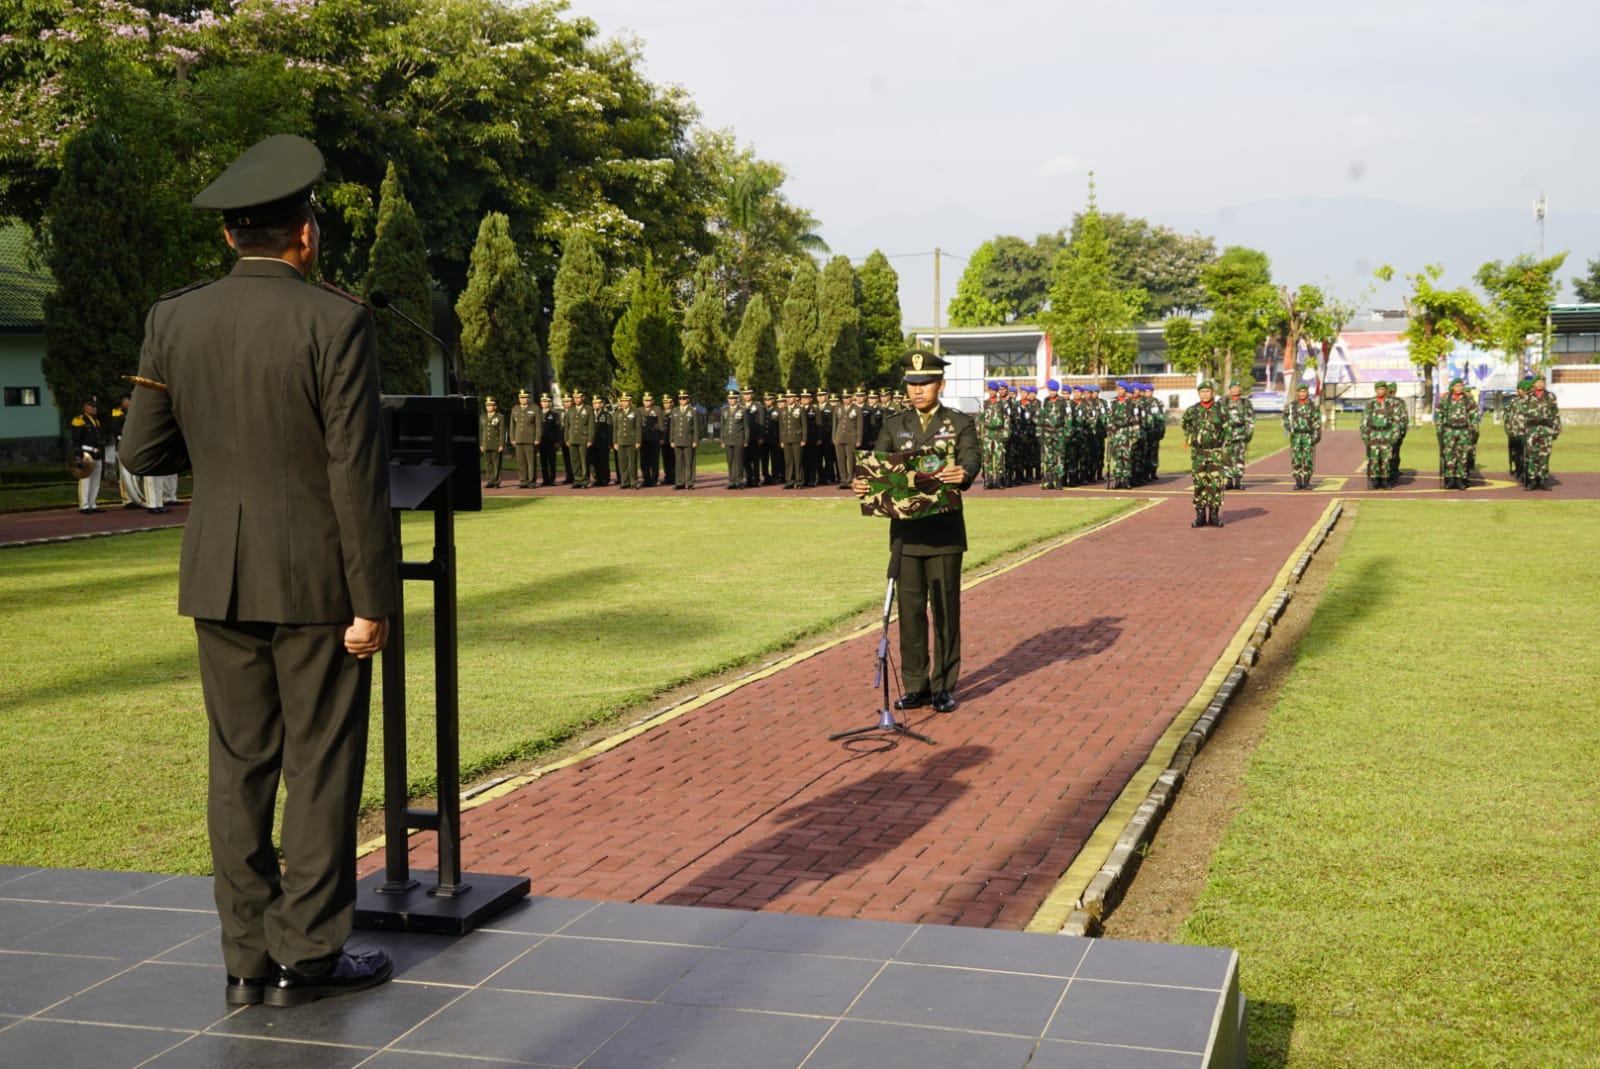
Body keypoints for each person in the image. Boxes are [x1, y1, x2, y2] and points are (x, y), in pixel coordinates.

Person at [120, 134, 396, 1008]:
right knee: (318, 763)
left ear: (229, 238)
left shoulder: (176, 318)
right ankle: (304, 955)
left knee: (238, 766)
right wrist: (372, 599)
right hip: (317, 581)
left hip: (218, 575)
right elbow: (356, 470)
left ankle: (245, 958)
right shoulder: (335, 318)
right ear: (304, 233)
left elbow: (141, 449)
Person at [851, 349, 980, 715]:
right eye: (912, 384)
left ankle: (943, 686)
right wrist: (861, 485)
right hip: (905, 536)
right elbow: (876, 466)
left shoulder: (958, 423)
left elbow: (971, 456)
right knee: (909, 613)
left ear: (941, 384)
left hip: (944, 535)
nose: (917, 390)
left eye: (925, 383)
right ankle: (916, 686)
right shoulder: (894, 425)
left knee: (944, 611)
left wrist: (965, 473)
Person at [1181, 381, 1228, 527]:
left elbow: (1228, 430)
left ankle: (1214, 514)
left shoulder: (1221, 411)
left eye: (1208, 391)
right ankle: (1200, 515)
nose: (1205, 394)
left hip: (1215, 452)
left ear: (1213, 393)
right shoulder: (1192, 411)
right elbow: (1185, 424)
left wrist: (1224, 447)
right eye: (1202, 392)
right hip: (1199, 453)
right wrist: (1190, 438)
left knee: (1215, 484)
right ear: (1199, 394)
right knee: (1199, 483)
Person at [1434, 378, 1478, 490]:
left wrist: (1474, 430)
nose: (1459, 388)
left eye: (1461, 385)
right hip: (1449, 431)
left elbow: (1474, 416)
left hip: (1464, 431)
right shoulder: (1445, 399)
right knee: (1449, 456)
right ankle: (1450, 480)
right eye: (1457, 386)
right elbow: (1439, 415)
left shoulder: (1469, 399)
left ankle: (1460, 480)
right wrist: (1440, 430)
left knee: (1462, 456)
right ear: (1453, 387)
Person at [1521, 374, 1561, 489]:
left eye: (1542, 382)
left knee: (1544, 455)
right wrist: (1522, 431)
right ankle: (1532, 480)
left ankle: (1543, 480)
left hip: (1546, 430)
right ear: (1533, 384)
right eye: (1538, 382)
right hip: (1531, 430)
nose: (1540, 384)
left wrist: (1556, 430)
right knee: (1532, 455)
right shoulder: (1527, 397)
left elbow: (1555, 414)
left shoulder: (1550, 397)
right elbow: (1521, 414)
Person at [1282, 382, 1322, 490]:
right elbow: (1285, 418)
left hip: (1308, 436)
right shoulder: (1291, 406)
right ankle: (1298, 481)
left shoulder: (1313, 406)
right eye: (1300, 391)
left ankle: (1307, 481)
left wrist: (1316, 436)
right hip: (1296, 436)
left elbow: (1317, 421)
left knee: (1308, 459)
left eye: (1304, 391)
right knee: (1296, 459)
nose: (1302, 393)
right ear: (1297, 393)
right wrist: (1289, 428)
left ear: (1307, 392)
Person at [69, 396, 106, 513]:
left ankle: (92, 504)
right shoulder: (79, 420)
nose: (95, 409)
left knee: (95, 481)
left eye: (95, 407)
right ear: (86, 407)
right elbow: (77, 440)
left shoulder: (96, 421)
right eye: (92, 407)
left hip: (97, 455)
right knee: (85, 480)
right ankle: (84, 505)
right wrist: (78, 455)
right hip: (86, 455)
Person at [1221, 379, 1255, 490]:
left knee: (1239, 457)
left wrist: (1248, 434)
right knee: (1227, 458)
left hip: (1240, 433)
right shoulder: (1223, 402)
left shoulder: (1246, 402)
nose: (1235, 389)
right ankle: (1229, 481)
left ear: (1240, 389)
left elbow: (1251, 419)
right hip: (1226, 434)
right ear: (1230, 389)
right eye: (1233, 388)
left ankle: (1238, 481)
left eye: (1237, 387)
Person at [563, 387, 594, 488]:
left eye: (578, 397)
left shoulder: (588, 409)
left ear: (583, 398)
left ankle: (585, 480)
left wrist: (590, 439)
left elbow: (591, 426)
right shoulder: (570, 410)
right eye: (575, 398)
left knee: (584, 460)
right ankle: (577, 479)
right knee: (574, 460)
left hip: (583, 439)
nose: (576, 399)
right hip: (572, 438)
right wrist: (566, 438)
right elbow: (567, 426)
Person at [668, 389, 699, 489]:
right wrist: (671, 440)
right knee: (679, 463)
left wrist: (695, 440)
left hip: (688, 440)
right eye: (680, 398)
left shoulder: (693, 411)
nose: (682, 400)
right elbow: (672, 426)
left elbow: (696, 427)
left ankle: (690, 483)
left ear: (688, 399)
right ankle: (680, 482)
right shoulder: (675, 410)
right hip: (677, 440)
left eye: (684, 398)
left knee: (689, 462)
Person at [718, 387, 748, 489]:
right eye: (729, 398)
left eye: (733, 398)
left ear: (737, 399)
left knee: (739, 461)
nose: (731, 400)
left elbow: (746, 427)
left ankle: (739, 481)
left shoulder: (743, 410)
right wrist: (722, 440)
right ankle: (731, 481)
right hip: (728, 439)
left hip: (738, 439)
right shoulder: (724, 410)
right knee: (730, 461)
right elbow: (723, 426)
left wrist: (746, 440)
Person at [509, 389, 539, 488]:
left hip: (530, 439)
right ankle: (523, 481)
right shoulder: (515, 408)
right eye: (521, 397)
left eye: (524, 397)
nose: (522, 399)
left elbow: (538, 425)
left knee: (531, 462)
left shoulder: (534, 408)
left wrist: (537, 438)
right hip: (518, 439)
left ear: (528, 398)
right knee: (521, 462)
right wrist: (512, 438)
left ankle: (531, 481)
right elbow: (512, 425)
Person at [612, 392, 642, 489]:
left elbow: (638, 428)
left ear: (630, 401)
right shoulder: (618, 413)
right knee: (623, 463)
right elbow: (615, 429)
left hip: (631, 440)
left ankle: (633, 482)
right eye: (623, 401)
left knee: (632, 463)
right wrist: (615, 442)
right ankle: (624, 482)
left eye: (626, 401)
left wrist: (638, 441)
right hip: (621, 441)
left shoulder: (636, 412)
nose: (624, 402)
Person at [479, 396, 505, 488]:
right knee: (488, 463)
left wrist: (501, 444)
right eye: (487, 405)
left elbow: (502, 432)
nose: (488, 407)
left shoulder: (500, 417)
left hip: (496, 443)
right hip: (486, 443)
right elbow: (481, 431)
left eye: (491, 405)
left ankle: (496, 481)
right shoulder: (482, 416)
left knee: (496, 463)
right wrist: (481, 444)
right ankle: (490, 481)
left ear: (495, 406)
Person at [537, 393, 561, 486]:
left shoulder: (554, 414)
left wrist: (557, 441)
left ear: (550, 403)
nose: (544, 403)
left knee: (551, 461)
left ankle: (552, 479)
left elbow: (557, 428)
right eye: (543, 401)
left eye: (546, 401)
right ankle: (545, 479)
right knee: (543, 461)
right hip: (541, 440)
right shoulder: (538, 413)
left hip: (551, 441)